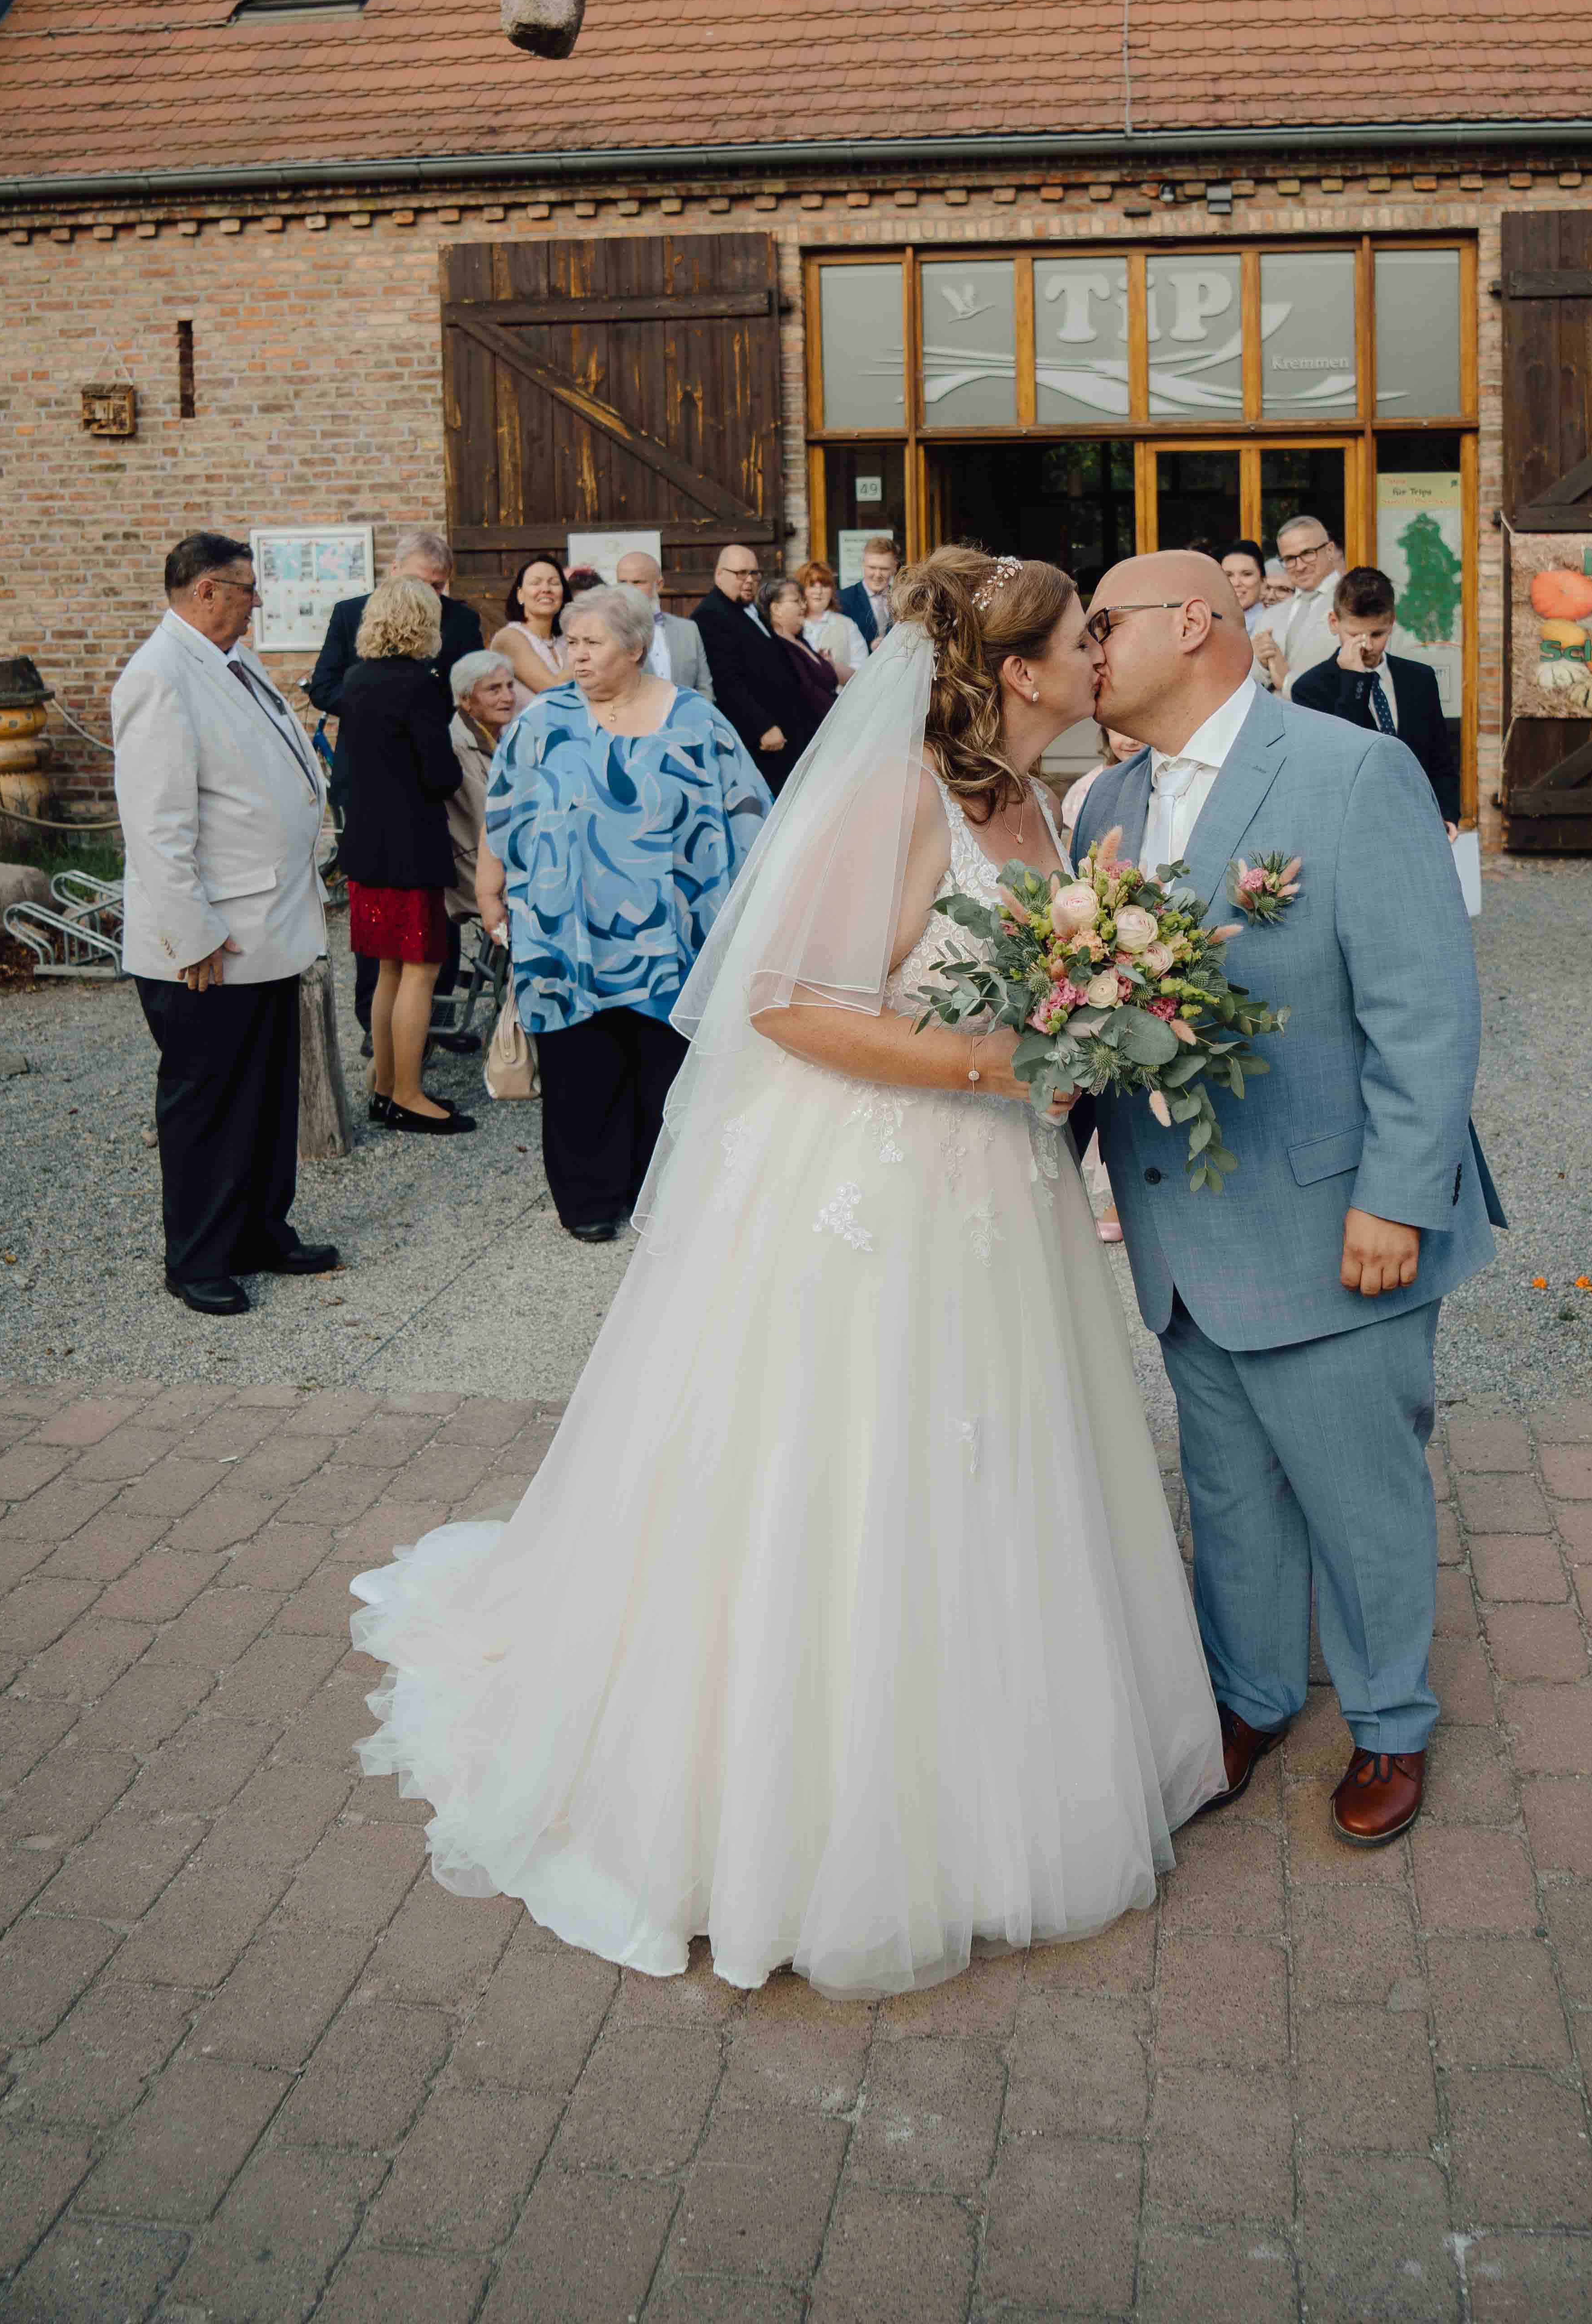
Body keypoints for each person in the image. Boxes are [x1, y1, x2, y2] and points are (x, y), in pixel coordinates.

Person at [354, 544, 1224, 1996]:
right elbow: (784, 1003)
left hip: (1001, 1199)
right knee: (844, 1461)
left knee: (997, 1461)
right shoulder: (899, 799)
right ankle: (787, 1804)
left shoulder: (1044, 803)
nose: (1099, 654)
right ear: (1017, 669)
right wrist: (994, 1059)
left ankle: (995, 1764)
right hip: (876, 1182)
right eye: (1082, 634)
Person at [1078, 550, 1502, 1849]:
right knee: (1228, 1483)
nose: (1086, 649)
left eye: (1105, 624)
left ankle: (1390, 1723)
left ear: (1194, 622)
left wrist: (1398, 1199)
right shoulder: (1105, 808)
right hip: (1180, 1226)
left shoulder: (1350, 772)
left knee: (1359, 1485)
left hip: (1332, 1218)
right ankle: (1252, 1693)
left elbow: (1425, 1010)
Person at [475, 581, 769, 1241]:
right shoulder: (541, 721)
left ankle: (660, 1195)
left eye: (592, 643)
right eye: (570, 643)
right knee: (580, 1069)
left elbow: (751, 812)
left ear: (636, 648)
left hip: (671, 934)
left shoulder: (696, 721)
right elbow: (501, 812)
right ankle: (588, 1202)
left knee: (661, 1068)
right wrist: (489, 887)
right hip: (563, 931)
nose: (577, 656)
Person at [113, 532, 337, 1317]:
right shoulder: (160, 675)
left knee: (268, 1095)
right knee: (207, 1103)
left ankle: (259, 1231)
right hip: (211, 942)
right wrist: (191, 932)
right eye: (246, 589)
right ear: (206, 589)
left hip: (266, 923)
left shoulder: (231, 662)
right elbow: (156, 823)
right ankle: (197, 1257)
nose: (256, 601)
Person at [333, 578, 473, 1136]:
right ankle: (409, 1095)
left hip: (366, 846)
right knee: (421, 969)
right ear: (423, 623)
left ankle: (385, 1086)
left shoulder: (356, 680)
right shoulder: (419, 684)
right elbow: (439, 775)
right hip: (411, 847)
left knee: (389, 967)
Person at [1291, 565, 1462, 829]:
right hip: (1352, 827)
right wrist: (1354, 681)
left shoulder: (1420, 679)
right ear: (1334, 623)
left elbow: (1441, 760)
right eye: (1355, 635)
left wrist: (1448, 814)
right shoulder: (1310, 689)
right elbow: (1339, 759)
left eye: (1377, 634)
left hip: (1417, 822)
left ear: (1392, 622)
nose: (1367, 645)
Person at [308, 528, 483, 720]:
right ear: (394, 570)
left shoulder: (463, 621)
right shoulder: (350, 614)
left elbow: (475, 690)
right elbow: (324, 689)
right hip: (367, 739)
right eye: (416, 582)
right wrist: (383, 709)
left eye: (436, 586)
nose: (425, 594)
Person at [694, 542, 813, 796]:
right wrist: (763, 726)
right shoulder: (709, 617)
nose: (749, 581)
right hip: (759, 740)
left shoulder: (751, 609)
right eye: (740, 574)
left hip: (787, 728)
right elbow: (727, 683)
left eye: (754, 574)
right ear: (719, 575)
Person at [443, 651, 517, 922]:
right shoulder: (458, 746)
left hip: (501, 857)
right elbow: (487, 819)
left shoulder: (506, 735)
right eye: (494, 690)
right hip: (476, 865)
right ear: (465, 699)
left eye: (510, 686)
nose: (508, 698)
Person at [1250, 513, 1342, 692]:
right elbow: (1249, 680)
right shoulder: (1270, 616)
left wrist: (1287, 682)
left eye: (1308, 554)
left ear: (1330, 550)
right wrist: (1261, 662)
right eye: (1290, 559)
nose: (1300, 566)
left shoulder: (1356, 602)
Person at [613, 551, 713, 694]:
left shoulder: (689, 630)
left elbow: (705, 689)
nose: (628, 590)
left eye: (637, 582)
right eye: (623, 583)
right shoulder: (610, 632)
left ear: (659, 585)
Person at [763, 575, 840, 747]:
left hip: (832, 732)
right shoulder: (776, 648)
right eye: (797, 601)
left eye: (804, 601)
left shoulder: (801, 641)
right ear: (776, 609)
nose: (804, 606)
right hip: (808, 740)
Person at [490, 554, 574, 697]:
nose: (546, 589)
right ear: (520, 595)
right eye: (536, 583)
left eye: (554, 583)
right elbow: (552, 690)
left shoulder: (564, 639)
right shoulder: (510, 638)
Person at [796, 559, 867, 685]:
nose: (819, 592)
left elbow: (862, 674)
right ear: (801, 590)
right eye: (812, 585)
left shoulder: (847, 625)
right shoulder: (793, 625)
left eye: (824, 586)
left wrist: (833, 667)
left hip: (838, 701)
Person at [836, 531, 898, 646]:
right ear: (863, 565)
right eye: (872, 568)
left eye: (884, 569)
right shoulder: (843, 599)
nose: (877, 575)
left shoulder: (902, 600)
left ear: (894, 568)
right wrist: (869, 647)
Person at [1222, 541, 1268, 633]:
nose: (1236, 583)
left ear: (1263, 582)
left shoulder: (1273, 624)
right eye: (1228, 575)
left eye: (1247, 574)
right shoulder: (1209, 622)